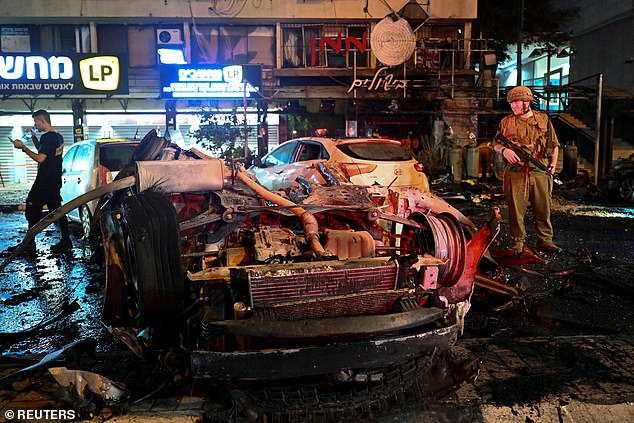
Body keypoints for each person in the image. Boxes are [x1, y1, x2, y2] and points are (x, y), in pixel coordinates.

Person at [493, 86, 562, 255]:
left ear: (526, 102)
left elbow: (555, 145)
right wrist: (504, 150)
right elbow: (495, 143)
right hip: (516, 172)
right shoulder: (506, 122)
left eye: (516, 102)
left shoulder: (543, 119)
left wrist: (552, 165)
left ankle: (545, 240)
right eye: (511, 103)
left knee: (543, 207)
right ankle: (518, 242)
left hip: (539, 171)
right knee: (515, 209)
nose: (513, 106)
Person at [10, 109, 72, 256]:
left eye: (36, 122)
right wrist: (32, 137)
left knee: (32, 208)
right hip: (54, 181)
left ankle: (29, 244)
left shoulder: (47, 138)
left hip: (44, 182)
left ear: (42, 121)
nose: (35, 125)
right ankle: (66, 240)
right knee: (57, 210)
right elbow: (43, 150)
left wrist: (23, 148)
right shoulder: (58, 137)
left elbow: (40, 158)